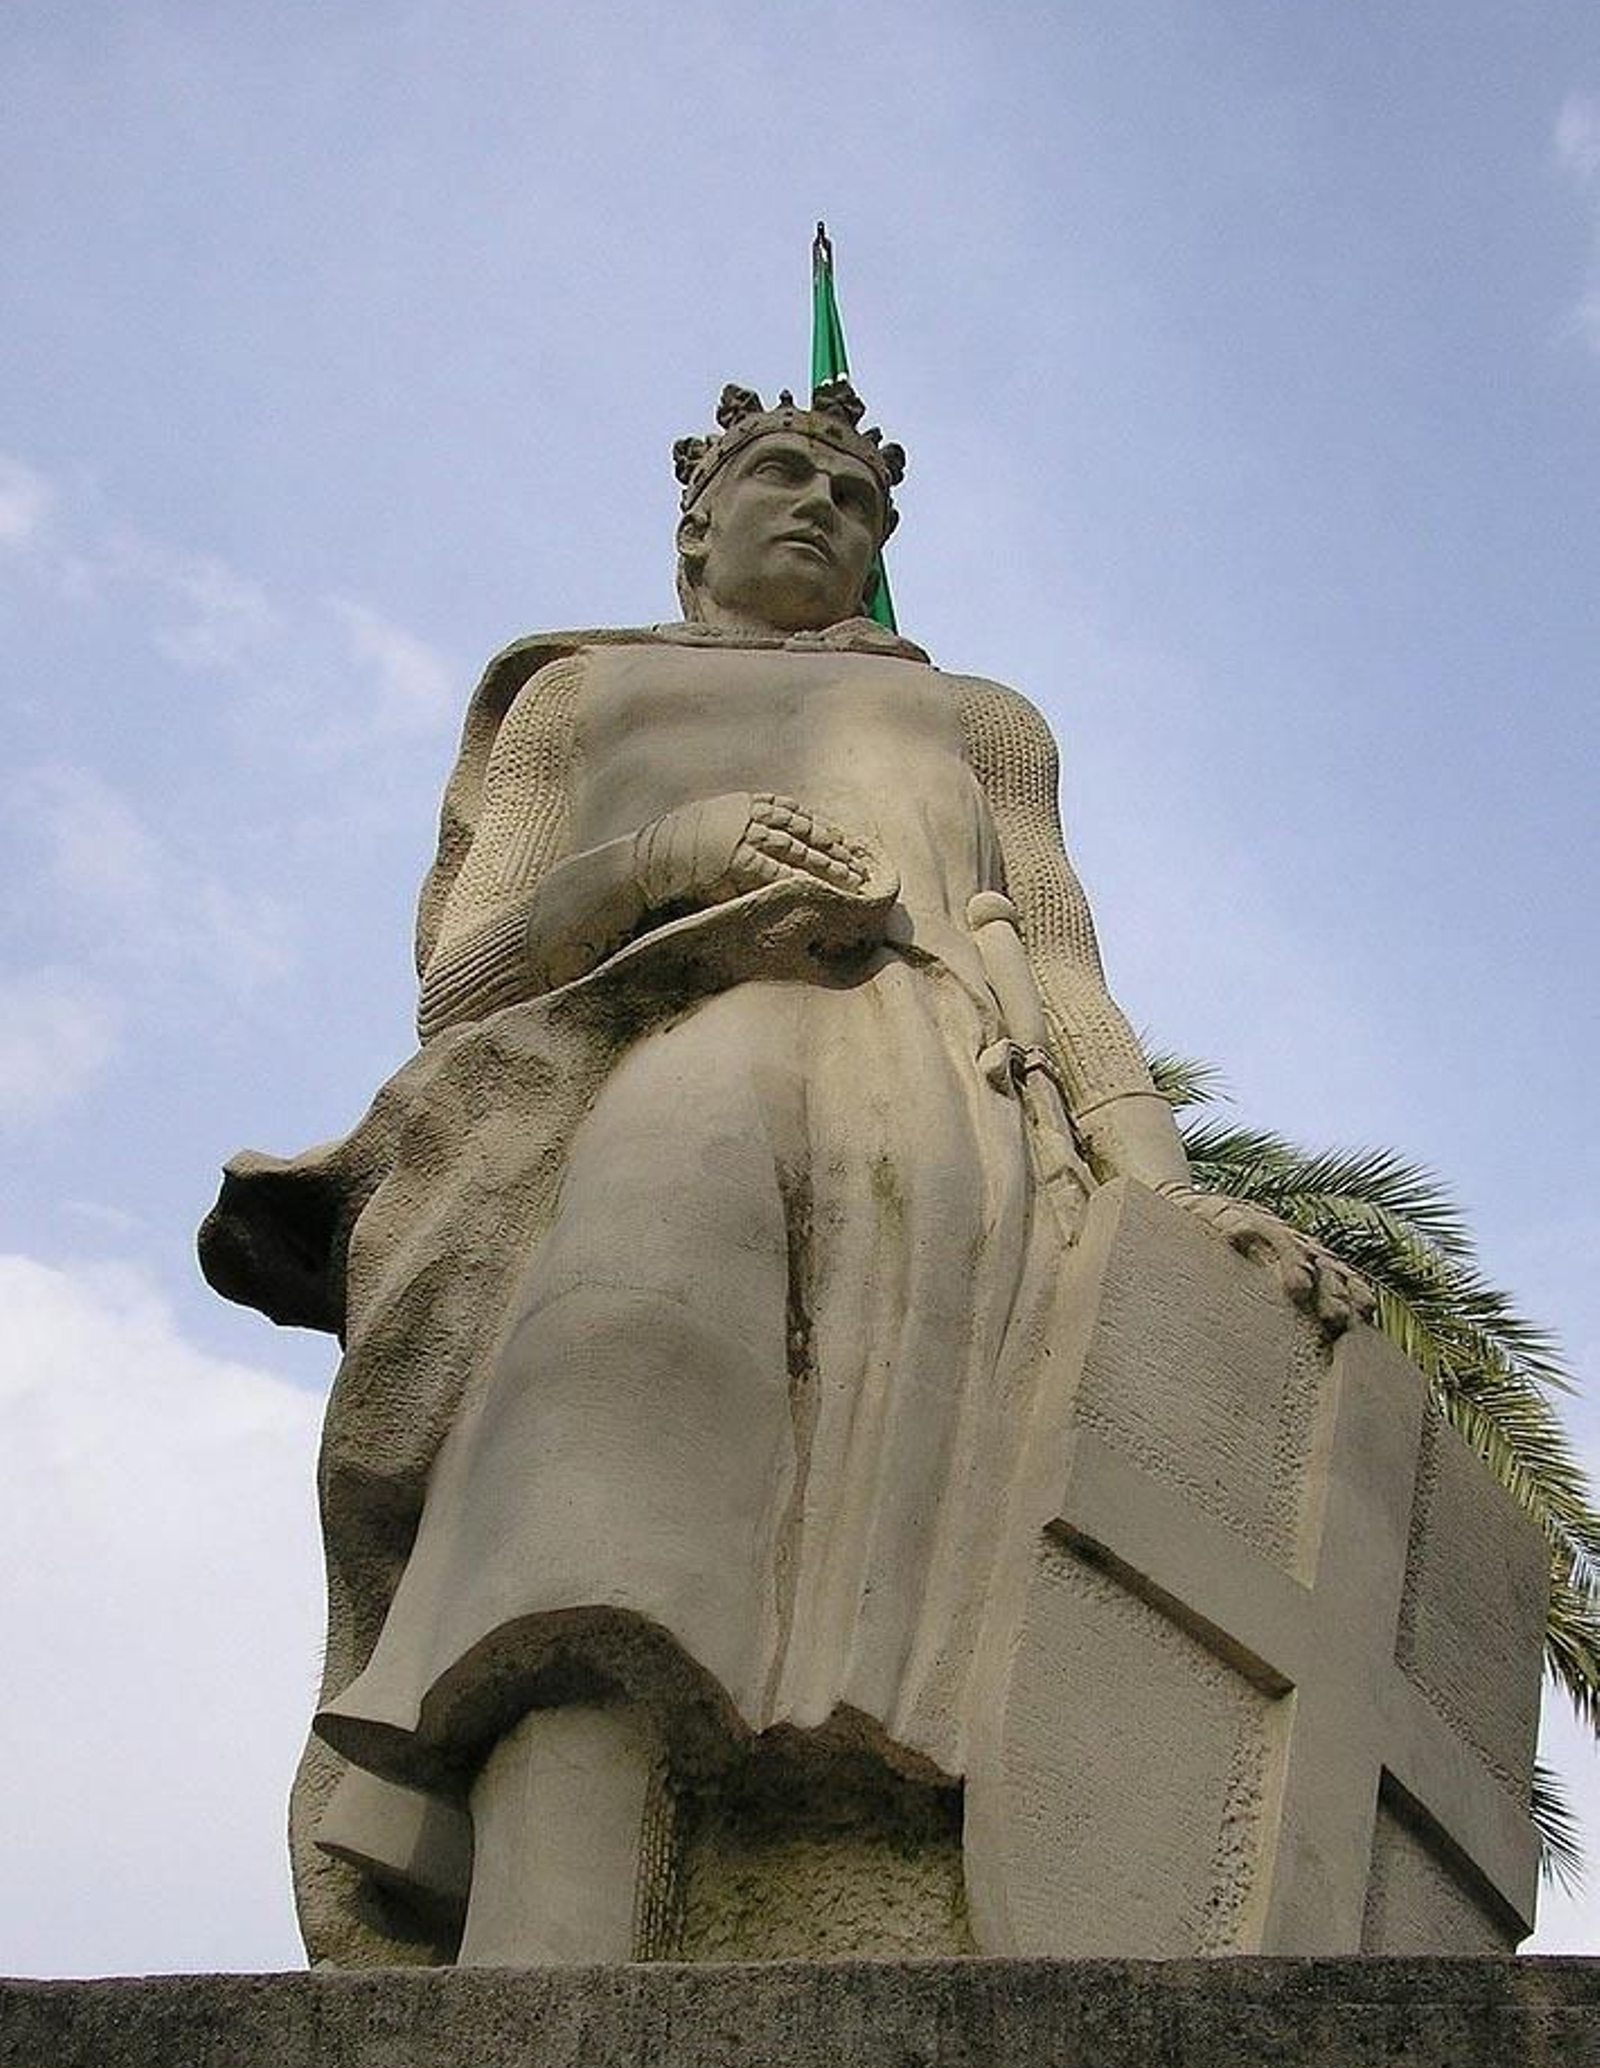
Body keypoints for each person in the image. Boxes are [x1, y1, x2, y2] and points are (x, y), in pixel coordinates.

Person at [202, 380, 1367, 1968]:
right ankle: (552, 1922)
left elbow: (1065, 968)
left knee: (927, 1573)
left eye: (857, 497)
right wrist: (663, 862)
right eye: (783, 476)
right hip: (649, 1077)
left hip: (941, 1109)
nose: (824, 506)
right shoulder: (577, 697)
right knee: (598, 1467)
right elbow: (463, 984)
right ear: (697, 524)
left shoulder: (980, 721)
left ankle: (869, 1890)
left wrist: (1164, 1191)